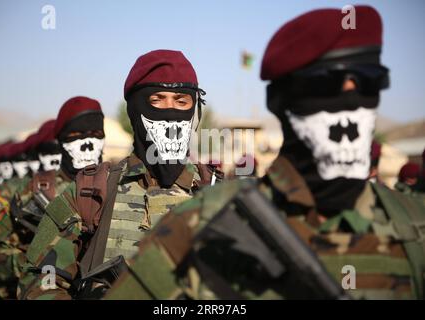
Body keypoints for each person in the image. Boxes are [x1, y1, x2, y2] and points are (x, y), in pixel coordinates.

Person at [105, 6, 425, 300]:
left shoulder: (415, 226)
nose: (350, 107)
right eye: (326, 86)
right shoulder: (210, 218)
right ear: (282, 102)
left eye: (370, 83)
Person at [18, 50, 221, 300]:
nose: (171, 113)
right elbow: (40, 279)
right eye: (157, 100)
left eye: (182, 102)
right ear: (135, 110)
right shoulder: (91, 190)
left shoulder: (215, 192)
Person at [0, 96, 105, 299]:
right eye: (77, 135)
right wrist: (33, 259)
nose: (88, 144)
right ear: (61, 140)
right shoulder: (36, 191)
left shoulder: (119, 184)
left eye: (96, 134)